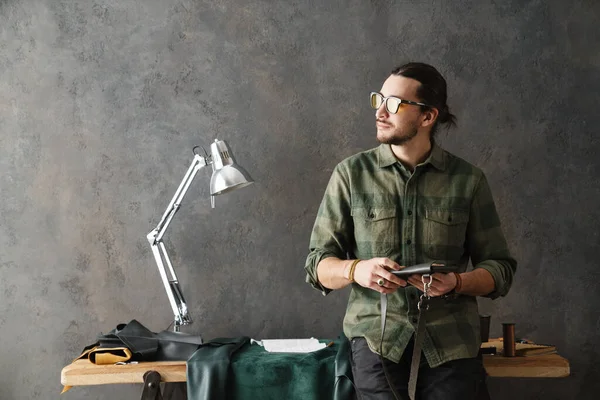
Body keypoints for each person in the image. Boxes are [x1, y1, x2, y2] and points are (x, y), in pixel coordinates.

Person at [304, 62, 517, 400]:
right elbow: (317, 266)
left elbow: (500, 269)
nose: (380, 112)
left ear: (427, 117)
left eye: (394, 103)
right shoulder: (351, 175)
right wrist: (357, 270)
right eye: (379, 100)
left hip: (451, 343)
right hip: (377, 340)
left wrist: (457, 283)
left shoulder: (468, 180)